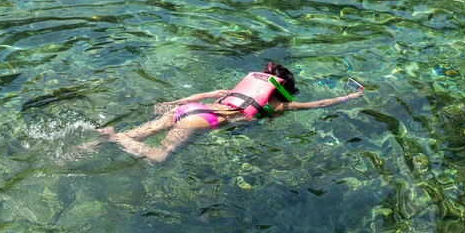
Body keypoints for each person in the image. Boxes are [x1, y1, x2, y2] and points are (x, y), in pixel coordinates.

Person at [94, 62, 363, 163]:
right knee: (159, 156)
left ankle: (86, 145)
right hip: (201, 120)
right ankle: (115, 138)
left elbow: (199, 96)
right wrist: (350, 96)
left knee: (138, 134)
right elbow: (319, 105)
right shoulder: (279, 105)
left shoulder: (233, 90)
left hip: (186, 109)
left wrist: (171, 103)